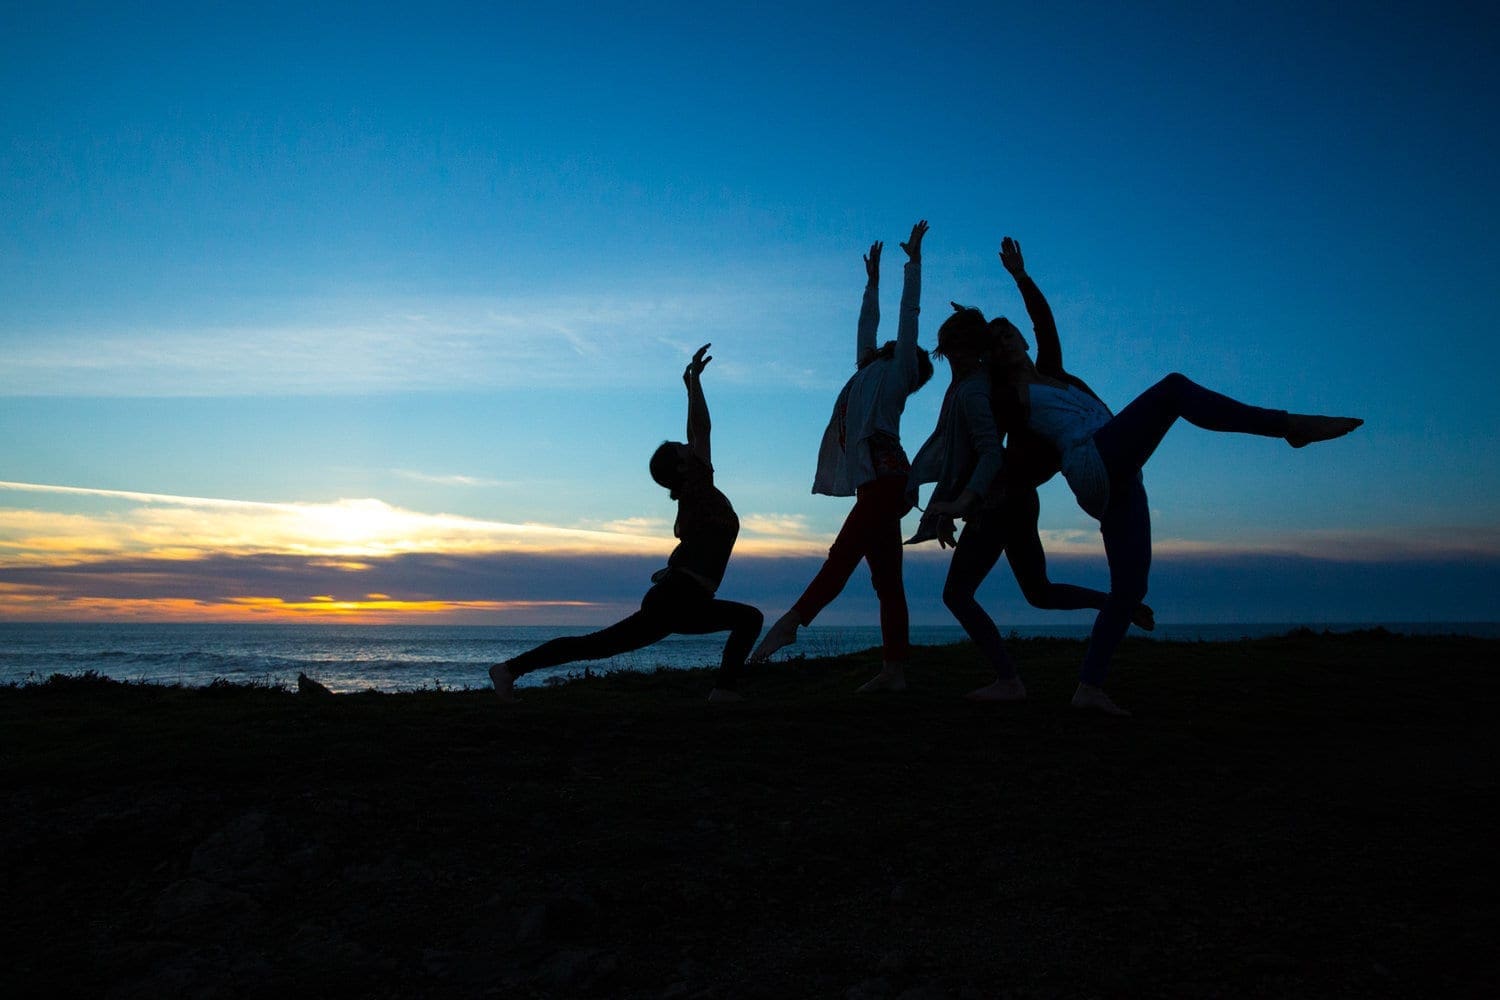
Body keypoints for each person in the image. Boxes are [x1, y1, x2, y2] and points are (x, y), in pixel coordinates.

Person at [984, 239, 1362, 715]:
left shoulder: (1054, 370)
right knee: (1174, 390)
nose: (1006, 342)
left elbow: (1045, 322)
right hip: (1092, 463)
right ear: (992, 358)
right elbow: (985, 441)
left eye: (1009, 334)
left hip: (1120, 475)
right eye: (995, 342)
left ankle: (1089, 688)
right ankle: (1288, 427)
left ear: (1020, 339)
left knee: (1130, 589)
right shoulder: (1009, 397)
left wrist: (1022, 277)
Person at [907, 238, 1154, 701]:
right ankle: (1117, 605)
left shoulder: (1002, 389)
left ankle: (1009, 680)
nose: (949, 360)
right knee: (1037, 591)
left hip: (1003, 501)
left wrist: (961, 502)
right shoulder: (997, 388)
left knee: (957, 594)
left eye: (952, 351)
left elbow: (984, 453)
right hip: (1019, 499)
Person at [489, 344, 763, 704]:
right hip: (678, 600)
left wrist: (690, 386)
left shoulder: (696, 489)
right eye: (684, 449)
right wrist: (694, 382)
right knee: (747, 620)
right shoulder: (698, 489)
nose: (690, 446)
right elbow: (701, 429)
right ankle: (724, 691)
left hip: (683, 599)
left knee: (598, 646)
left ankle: (509, 670)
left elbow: (697, 431)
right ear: (683, 467)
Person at [750, 221, 935, 692]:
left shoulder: (899, 374)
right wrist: (871, 284)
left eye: (902, 348)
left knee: (843, 555)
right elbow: (866, 326)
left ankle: (793, 620)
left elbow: (908, 315)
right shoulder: (870, 368)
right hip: (876, 482)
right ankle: (895, 671)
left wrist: (912, 263)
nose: (891, 345)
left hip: (888, 479)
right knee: (887, 582)